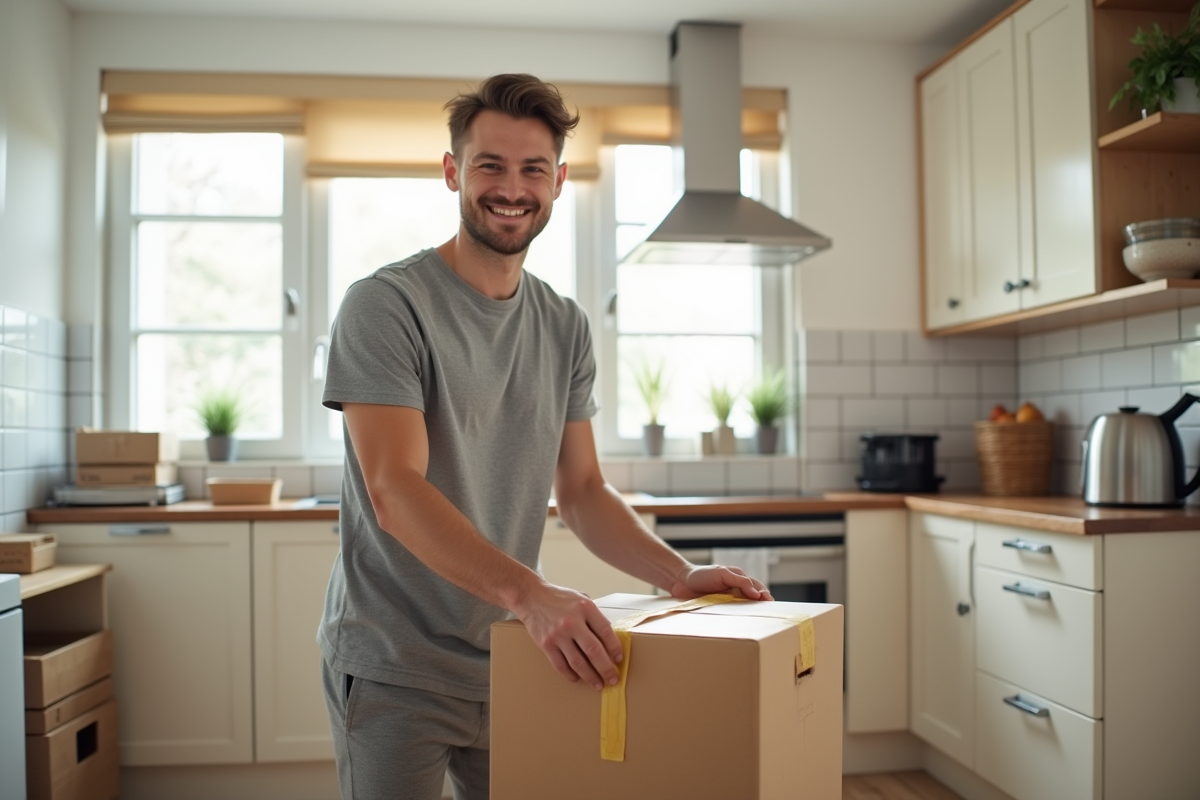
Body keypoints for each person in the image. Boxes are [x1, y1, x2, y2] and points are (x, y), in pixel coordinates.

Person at [318, 73, 772, 800]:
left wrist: (676, 576)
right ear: (451, 172)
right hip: (394, 660)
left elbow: (583, 489)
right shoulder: (386, 305)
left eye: (533, 169)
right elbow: (394, 491)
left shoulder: (564, 326)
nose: (511, 187)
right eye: (489, 165)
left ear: (558, 182)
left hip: (511, 653)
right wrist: (533, 595)